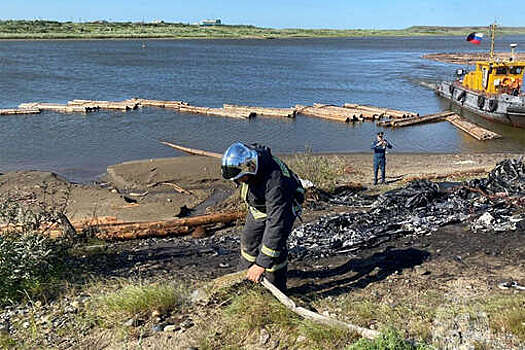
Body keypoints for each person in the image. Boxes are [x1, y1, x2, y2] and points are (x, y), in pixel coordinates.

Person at [221, 142, 304, 291]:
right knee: (249, 240)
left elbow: (276, 226)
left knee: (274, 248)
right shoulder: (250, 157)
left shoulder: (275, 183)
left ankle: (276, 285)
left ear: (250, 169)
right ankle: (245, 277)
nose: (237, 183)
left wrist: (261, 264)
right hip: (260, 207)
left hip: (284, 207)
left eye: (240, 179)